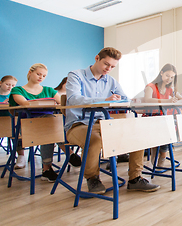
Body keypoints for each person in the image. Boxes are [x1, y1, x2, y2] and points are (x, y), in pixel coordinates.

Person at [65, 47, 159, 193]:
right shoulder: (76, 75)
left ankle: (135, 178)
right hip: (78, 124)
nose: (108, 69)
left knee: (137, 134)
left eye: (113, 67)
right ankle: (93, 179)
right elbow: (73, 99)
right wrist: (105, 100)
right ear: (97, 58)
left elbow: (124, 98)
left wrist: (131, 102)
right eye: (106, 64)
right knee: (94, 140)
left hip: (103, 123)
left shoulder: (111, 81)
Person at [9, 64, 66, 181]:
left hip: (49, 124)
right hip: (27, 126)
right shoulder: (17, 90)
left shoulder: (49, 90)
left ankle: (47, 169)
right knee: (50, 125)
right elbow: (25, 104)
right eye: (38, 74)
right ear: (30, 72)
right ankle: (68, 154)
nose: (41, 77)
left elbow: (61, 104)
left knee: (51, 125)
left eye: (44, 76)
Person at [143, 63, 182, 168]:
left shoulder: (170, 89)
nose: (169, 79)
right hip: (151, 118)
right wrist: (167, 100)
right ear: (161, 73)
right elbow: (147, 99)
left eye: (172, 77)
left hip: (164, 118)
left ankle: (163, 156)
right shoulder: (150, 86)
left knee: (169, 130)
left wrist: (175, 100)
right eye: (167, 75)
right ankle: (156, 157)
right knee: (162, 131)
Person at [0, 75, 17, 150]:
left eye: (13, 85)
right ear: (0, 83)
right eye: (7, 84)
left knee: (18, 133)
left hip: (10, 122)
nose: (10, 87)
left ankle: (20, 155)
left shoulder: (13, 96)